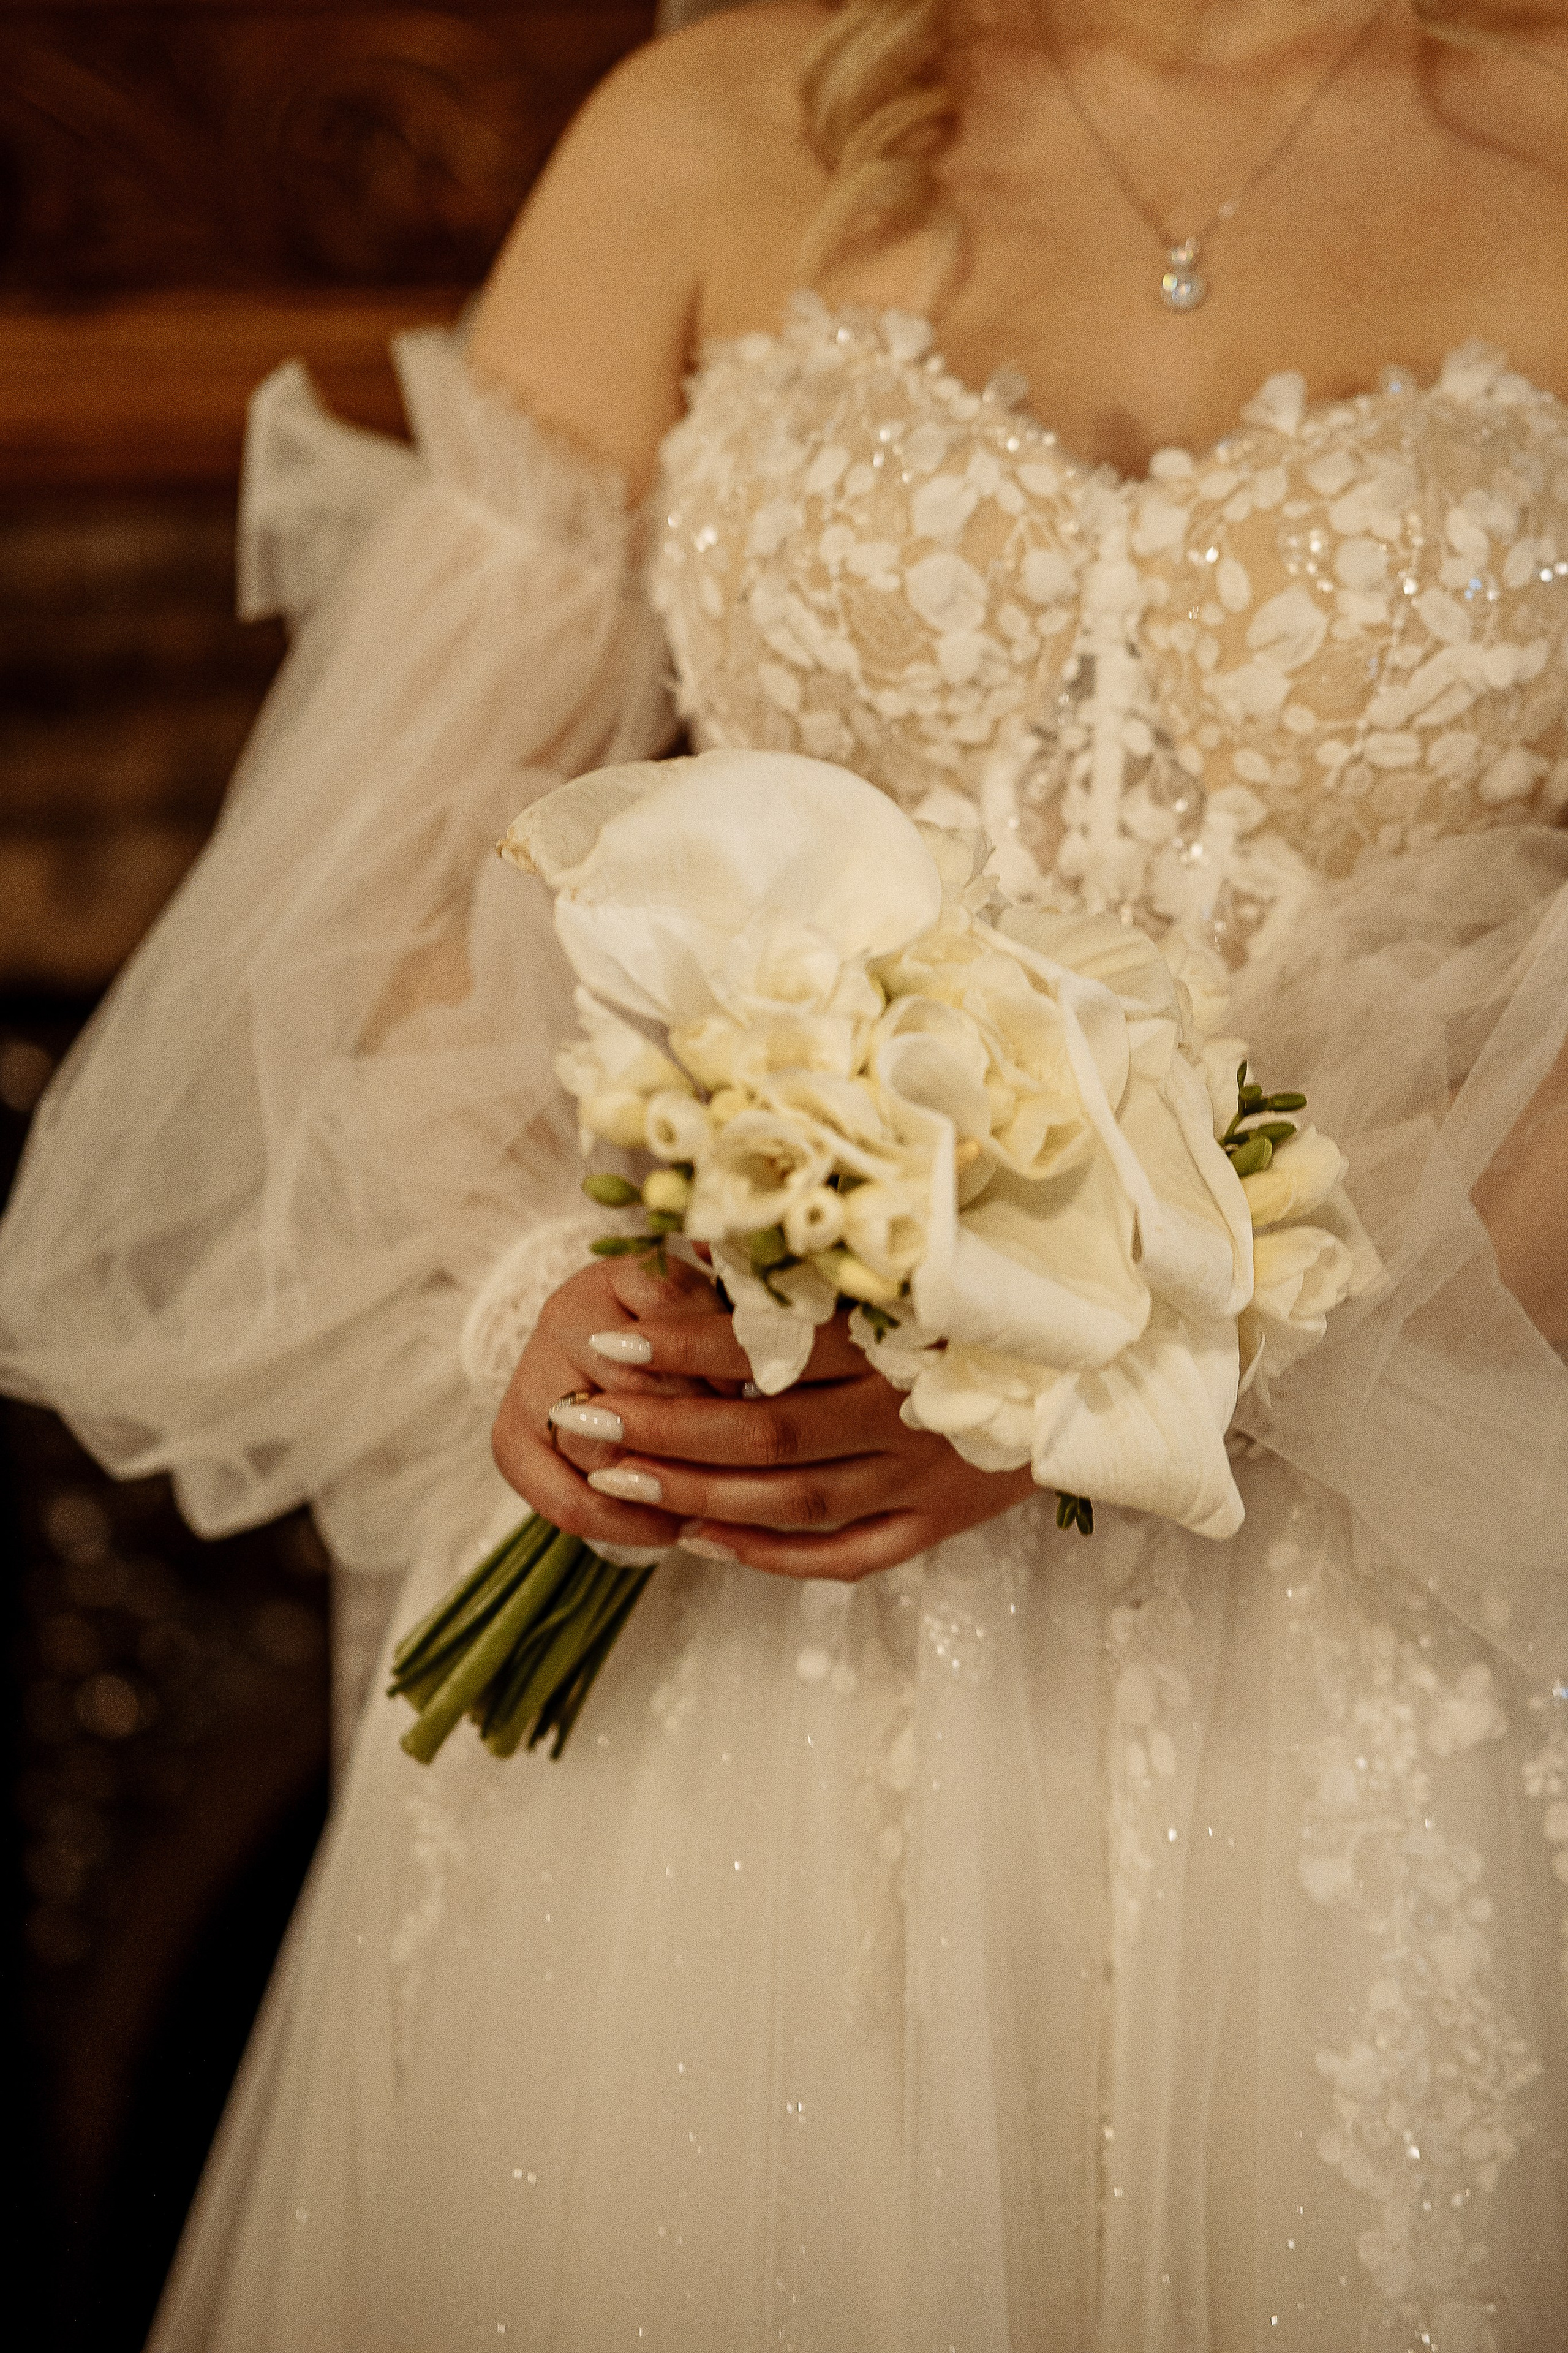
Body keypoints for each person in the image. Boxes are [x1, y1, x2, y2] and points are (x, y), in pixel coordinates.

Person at [1, 0, 1566, 2343]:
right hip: (734, 1575)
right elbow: (411, 868)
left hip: (1385, 1595)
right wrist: (526, 1286)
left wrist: (1147, 1351)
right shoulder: (709, 128)